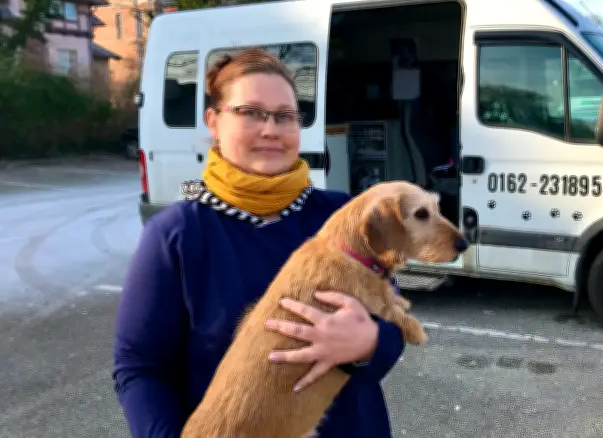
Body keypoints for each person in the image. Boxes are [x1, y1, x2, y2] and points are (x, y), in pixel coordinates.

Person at [112, 47, 406, 438]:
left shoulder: (345, 217)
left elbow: (394, 329)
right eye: (250, 113)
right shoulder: (176, 235)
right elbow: (141, 368)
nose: (271, 129)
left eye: (285, 115)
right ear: (213, 122)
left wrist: (369, 341)